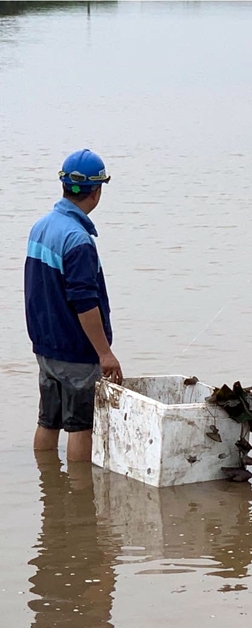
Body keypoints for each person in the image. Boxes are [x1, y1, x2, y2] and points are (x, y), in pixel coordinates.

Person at [25, 148, 122, 463]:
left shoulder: (41, 227)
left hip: (45, 346)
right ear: (96, 191)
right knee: (81, 427)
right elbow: (85, 303)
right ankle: (81, 497)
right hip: (75, 350)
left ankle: (49, 489)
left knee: (47, 419)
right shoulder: (78, 240)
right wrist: (104, 353)